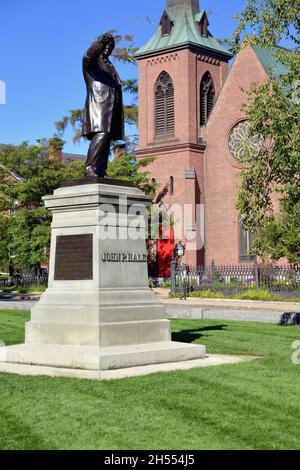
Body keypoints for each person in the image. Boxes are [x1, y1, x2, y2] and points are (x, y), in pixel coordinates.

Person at [82, 33, 124, 177]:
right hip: (99, 105)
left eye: (111, 46)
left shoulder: (110, 65)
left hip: (112, 108)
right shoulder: (93, 64)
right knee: (102, 133)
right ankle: (89, 167)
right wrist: (100, 43)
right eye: (107, 45)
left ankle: (101, 170)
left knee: (107, 137)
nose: (108, 48)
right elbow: (87, 57)